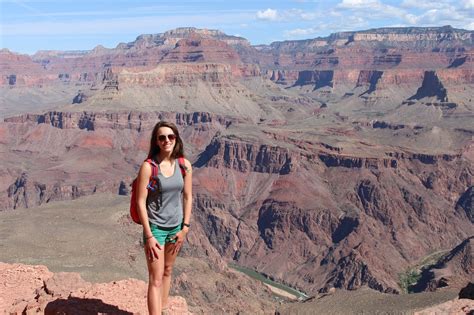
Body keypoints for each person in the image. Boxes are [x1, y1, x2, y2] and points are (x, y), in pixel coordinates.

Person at [136, 121, 192, 315]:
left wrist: (185, 228)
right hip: (156, 228)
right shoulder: (148, 167)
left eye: (170, 136)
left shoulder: (184, 165)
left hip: (176, 228)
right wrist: (149, 235)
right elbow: (140, 202)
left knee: (168, 270)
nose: (166, 140)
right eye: (162, 137)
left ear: (176, 139)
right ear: (156, 141)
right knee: (156, 278)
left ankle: (164, 307)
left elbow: (188, 196)